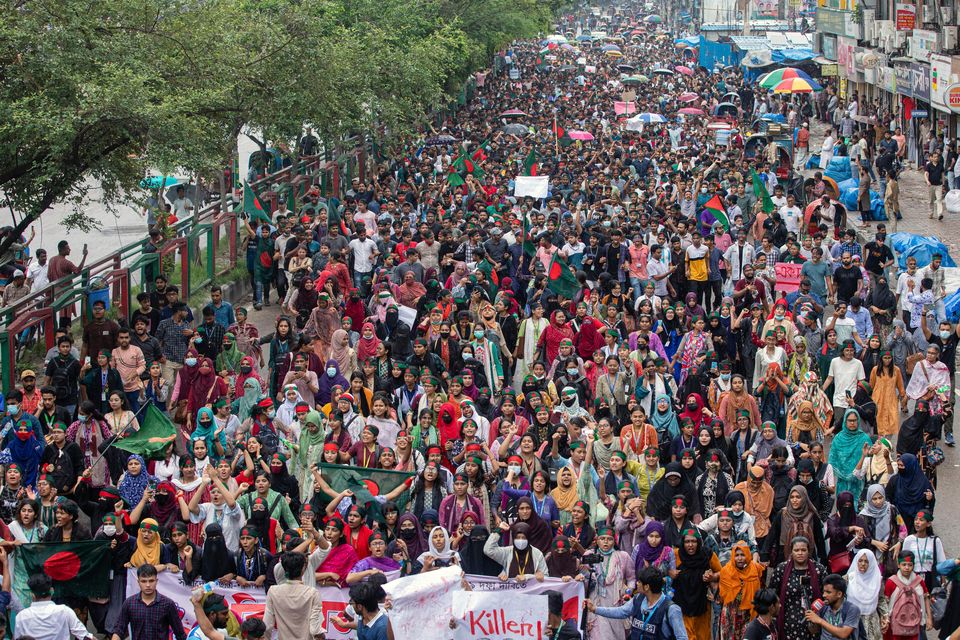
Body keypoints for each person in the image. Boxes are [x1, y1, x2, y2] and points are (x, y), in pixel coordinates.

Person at [585, 565, 689, 640]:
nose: (636, 583)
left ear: (647, 587)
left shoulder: (671, 609)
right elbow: (621, 612)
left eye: (639, 582)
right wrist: (595, 609)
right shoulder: (638, 599)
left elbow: (682, 637)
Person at [111, 564, 187, 640]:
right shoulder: (129, 603)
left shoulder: (168, 604)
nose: (148, 585)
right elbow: (119, 629)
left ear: (156, 581)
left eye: (151, 581)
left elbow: (180, 634)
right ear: (138, 582)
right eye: (144, 581)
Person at [263, 551, 325, 640]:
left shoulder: (273, 591)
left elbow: (267, 624)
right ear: (303, 569)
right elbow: (315, 629)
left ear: (284, 569)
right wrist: (321, 635)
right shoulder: (312, 592)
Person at [803, 573, 861, 640]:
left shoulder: (852, 609)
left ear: (839, 594)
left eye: (828, 592)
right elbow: (814, 631)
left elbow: (843, 634)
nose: (824, 595)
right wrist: (811, 620)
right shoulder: (823, 607)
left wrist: (819, 620)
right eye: (823, 592)